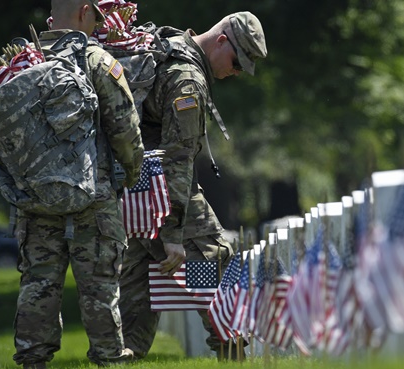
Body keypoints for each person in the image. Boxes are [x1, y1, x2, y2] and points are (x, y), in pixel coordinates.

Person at [0, 1, 144, 368]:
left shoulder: (19, 63)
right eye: (97, 16)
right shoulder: (98, 61)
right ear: (85, 11)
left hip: (34, 202)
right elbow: (125, 131)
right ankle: (109, 358)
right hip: (93, 202)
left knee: (38, 285)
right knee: (100, 289)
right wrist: (127, 177)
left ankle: (33, 358)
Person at [118, 11, 268, 360]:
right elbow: (178, 159)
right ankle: (230, 350)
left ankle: (122, 352)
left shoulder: (169, 46)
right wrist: (173, 232)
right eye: (235, 62)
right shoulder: (188, 79)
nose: (235, 72)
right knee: (212, 261)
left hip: (134, 191)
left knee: (139, 275)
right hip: (161, 192)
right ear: (221, 40)